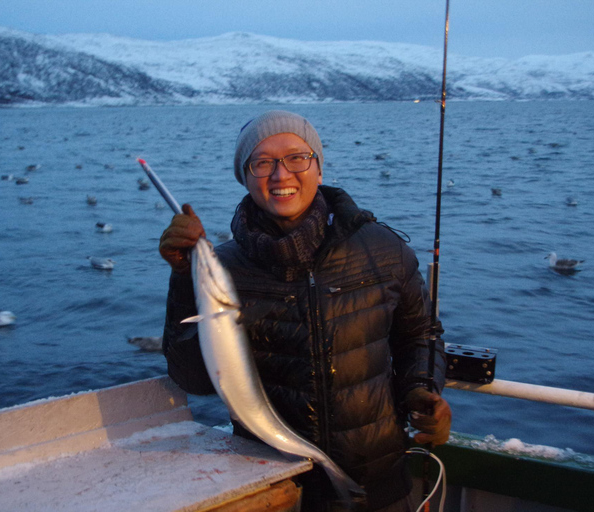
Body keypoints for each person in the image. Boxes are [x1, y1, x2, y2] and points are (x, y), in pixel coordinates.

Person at [158, 110, 451, 512]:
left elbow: (421, 334)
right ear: (244, 176)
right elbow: (193, 378)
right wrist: (182, 278)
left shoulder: (383, 249)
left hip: (381, 483)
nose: (281, 175)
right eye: (262, 163)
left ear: (318, 165)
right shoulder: (224, 268)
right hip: (272, 488)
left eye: (297, 157)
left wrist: (423, 389)